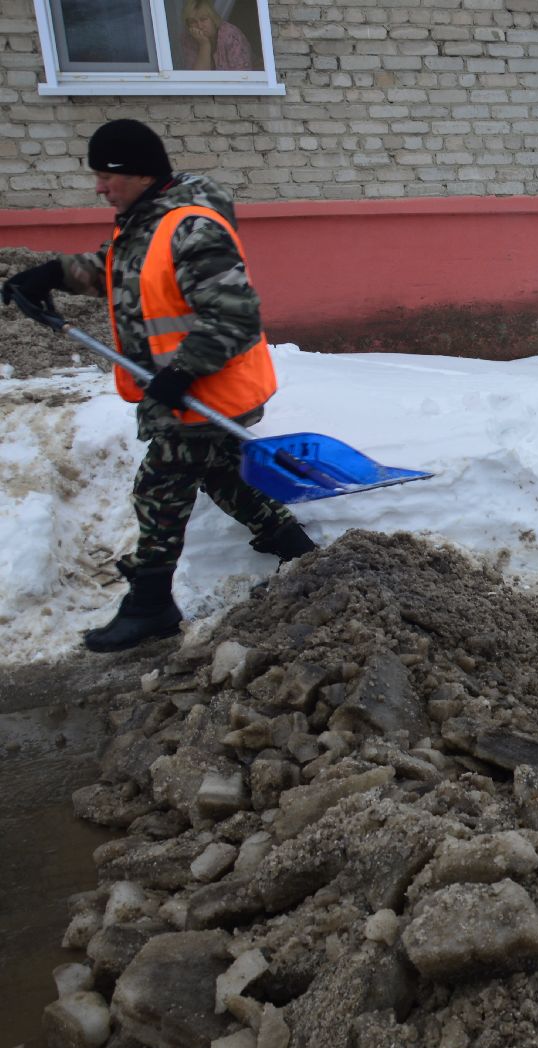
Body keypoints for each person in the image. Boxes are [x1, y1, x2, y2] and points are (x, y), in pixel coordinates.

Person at [1, 119, 317, 653]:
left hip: (204, 387)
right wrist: (49, 274)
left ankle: (150, 604)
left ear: (140, 174)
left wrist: (182, 371)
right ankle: (299, 552)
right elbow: (110, 268)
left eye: (107, 175)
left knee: (161, 487)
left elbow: (235, 315)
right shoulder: (144, 223)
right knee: (219, 473)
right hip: (180, 387)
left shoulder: (193, 228)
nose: (100, 186)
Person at [179, 0, 253, 71]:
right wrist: (204, 45)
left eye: (203, 19)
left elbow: (243, 75)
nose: (199, 26)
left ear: (213, 19)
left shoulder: (230, 34)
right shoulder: (188, 38)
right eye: (193, 22)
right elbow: (196, 78)